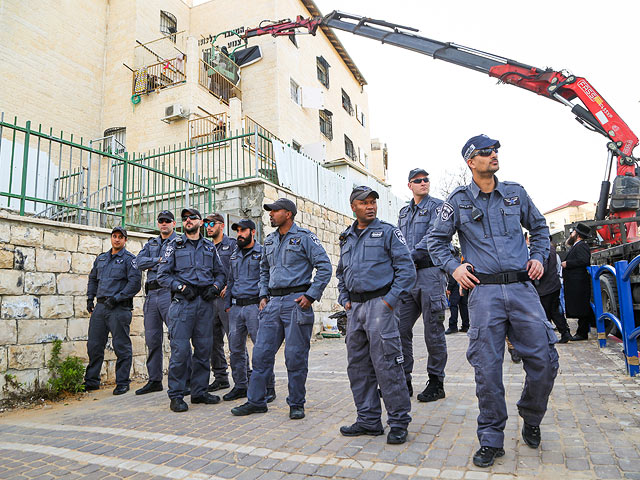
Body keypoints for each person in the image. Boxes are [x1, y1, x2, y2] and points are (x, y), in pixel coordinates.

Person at [428, 134, 559, 468]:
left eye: (495, 150)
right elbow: (435, 242)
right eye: (485, 152)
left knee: (544, 360)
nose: (493, 155)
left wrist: (540, 256)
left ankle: (531, 415)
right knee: (487, 370)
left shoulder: (516, 193)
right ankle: (491, 438)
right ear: (470, 161)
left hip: (521, 289)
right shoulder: (455, 201)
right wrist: (454, 268)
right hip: (484, 294)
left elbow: (541, 229)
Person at [231, 198, 332, 420]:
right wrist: (263, 295)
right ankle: (256, 401)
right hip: (272, 304)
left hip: (297, 302)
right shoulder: (269, 241)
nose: (270, 214)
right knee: (261, 354)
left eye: (275, 211)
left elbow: (324, 267)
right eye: (270, 211)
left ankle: (296, 403)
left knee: (295, 357)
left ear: (288, 214)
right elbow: (264, 270)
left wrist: (310, 295)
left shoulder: (304, 238)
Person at [337, 186, 416, 445]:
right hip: (355, 310)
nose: (370, 206)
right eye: (364, 202)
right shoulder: (346, 237)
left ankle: (398, 422)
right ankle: (369, 420)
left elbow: (407, 271)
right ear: (353, 207)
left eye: (373, 202)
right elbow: (341, 274)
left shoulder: (388, 232)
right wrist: (345, 299)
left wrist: (389, 302)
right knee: (358, 367)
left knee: (388, 365)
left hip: (380, 306)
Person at [158, 207, 227, 412]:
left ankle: (199, 392)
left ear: (200, 223)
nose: (188, 220)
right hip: (182, 305)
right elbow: (162, 275)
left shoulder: (208, 246)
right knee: (180, 351)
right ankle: (177, 395)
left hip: (205, 305)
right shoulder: (174, 245)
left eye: (192, 218)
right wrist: (180, 287)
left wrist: (214, 288)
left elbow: (221, 274)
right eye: (185, 218)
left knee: (204, 350)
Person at [396, 168, 448, 401]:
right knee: (399, 328)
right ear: (410, 185)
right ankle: (403, 380)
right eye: (418, 181)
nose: (424, 183)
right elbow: (400, 240)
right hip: (409, 277)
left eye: (426, 179)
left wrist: (409, 255)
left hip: (430, 273)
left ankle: (436, 382)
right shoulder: (404, 212)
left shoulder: (438, 207)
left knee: (433, 331)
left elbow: (434, 234)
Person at [223, 219, 276, 402]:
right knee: (235, 349)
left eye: (243, 230)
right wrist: (228, 304)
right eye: (237, 230)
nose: (239, 233)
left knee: (261, 348)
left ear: (253, 232)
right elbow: (230, 280)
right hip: (236, 308)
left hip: (255, 307)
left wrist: (266, 300)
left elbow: (269, 277)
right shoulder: (234, 255)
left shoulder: (262, 252)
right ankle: (240, 385)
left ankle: (268, 387)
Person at [84, 226, 142, 395]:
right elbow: (93, 279)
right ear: (111, 238)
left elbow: (134, 285)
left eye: (120, 237)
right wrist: (90, 298)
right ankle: (92, 381)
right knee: (94, 345)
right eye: (114, 236)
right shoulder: (101, 259)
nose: (117, 239)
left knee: (121, 346)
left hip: (119, 308)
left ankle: (123, 382)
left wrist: (117, 298)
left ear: (125, 240)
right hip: (101, 307)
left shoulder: (130, 260)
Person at [134, 210, 179, 395]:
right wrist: (157, 260)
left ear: (174, 224)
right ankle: (154, 380)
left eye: (167, 221)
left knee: (177, 338)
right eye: (161, 221)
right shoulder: (151, 243)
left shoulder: (179, 242)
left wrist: (153, 263)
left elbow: (173, 263)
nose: (164, 224)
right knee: (152, 339)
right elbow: (137, 262)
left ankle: (183, 379)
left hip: (169, 293)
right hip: (151, 295)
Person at [204, 213, 237, 393]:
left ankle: (243, 378)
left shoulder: (231, 245)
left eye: (211, 224)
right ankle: (221, 378)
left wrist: (228, 286)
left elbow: (236, 268)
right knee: (213, 341)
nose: (208, 227)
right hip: (210, 299)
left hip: (227, 299)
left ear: (221, 225)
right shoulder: (205, 246)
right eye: (206, 224)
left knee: (235, 339)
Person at [536, 236, 572, 343]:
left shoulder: (541, 252)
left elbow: (542, 269)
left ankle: (548, 337)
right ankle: (565, 332)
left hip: (544, 288)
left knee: (545, 313)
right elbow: (557, 267)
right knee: (555, 311)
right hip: (554, 285)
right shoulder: (553, 251)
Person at [562, 223, 594, 341]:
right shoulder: (576, 245)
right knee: (581, 307)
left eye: (573, 232)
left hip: (579, 282)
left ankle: (582, 333)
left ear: (578, 235)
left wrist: (567, 264)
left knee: (582, 308)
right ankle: (582, 331)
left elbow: (584, 260)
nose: (571, 234)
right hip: (575, 282)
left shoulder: (581, 246)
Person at [445, 249, 469, 334]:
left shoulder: (453, 262)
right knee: (463, 306)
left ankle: (453, 326)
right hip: (464, 285)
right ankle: (466, 326)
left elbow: (452, 277)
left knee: (453, 306)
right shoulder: (461, 260)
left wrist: (449, 288)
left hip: (455, 287)